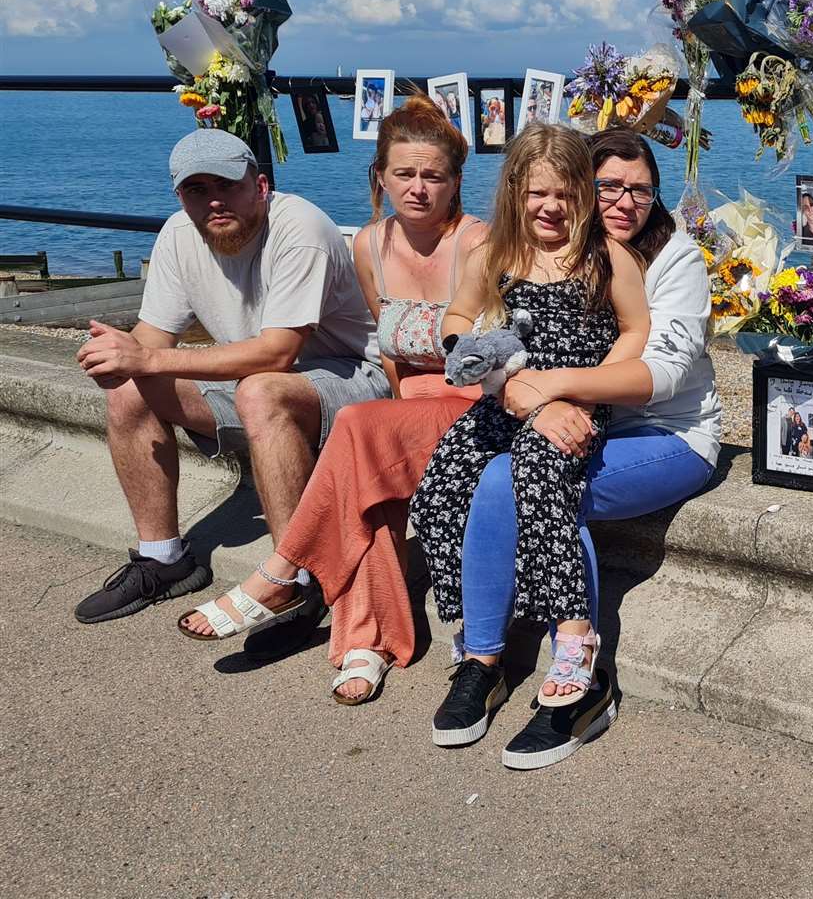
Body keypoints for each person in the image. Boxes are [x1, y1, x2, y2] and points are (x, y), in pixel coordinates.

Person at [175, 96, 487, 705]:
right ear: (380, 177)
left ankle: (282, 571)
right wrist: (396, 418)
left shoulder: (481, 244)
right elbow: (391, 356)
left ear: (455, 182)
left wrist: (395, 421)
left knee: (356, 429)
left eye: (433, 176)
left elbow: (482, 357)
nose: (418, 189)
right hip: (403, 414)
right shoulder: (369, 245)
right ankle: (366, 643)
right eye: (404, 173)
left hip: (474, 405)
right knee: (364, 464)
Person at [436, 127, 722, 768]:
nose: (626, 201)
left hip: (664, 433)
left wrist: (560, 391)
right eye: (609, 186)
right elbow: (477, 327)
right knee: (484, 475)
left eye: (641, 189)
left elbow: (660, 368)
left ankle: (585, 681)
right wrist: (515, 384)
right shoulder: (539, 252)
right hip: (566, 423)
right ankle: (482, 659)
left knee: (534, 483)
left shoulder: (674, 260)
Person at [73, 129, 385, 625]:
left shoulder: (299, 227)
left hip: (353, 379)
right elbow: (153, 334)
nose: (214, 200)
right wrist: (116, 355)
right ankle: (164, 559)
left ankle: (297, 583)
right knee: (130, 389)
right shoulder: (178, 233)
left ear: (259, 186)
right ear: (180, 197)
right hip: (257, 383)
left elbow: (278, 352)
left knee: (261, 390)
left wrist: (147, 360)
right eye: (197, 190)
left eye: (228, 184)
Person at [412, 123, 655, 754]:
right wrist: (484, 365)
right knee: (438, 490)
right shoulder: (493, 254)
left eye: (564, 194)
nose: (549, 208)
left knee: (541, 479)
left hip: (572, 407)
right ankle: (473, 640)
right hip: (504, 399)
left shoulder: (607, 258)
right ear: (514, 190)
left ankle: (573, 635)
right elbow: (459, 319)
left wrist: (590, 384)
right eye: (535, 193)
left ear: (583, 193)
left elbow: (635, 331)